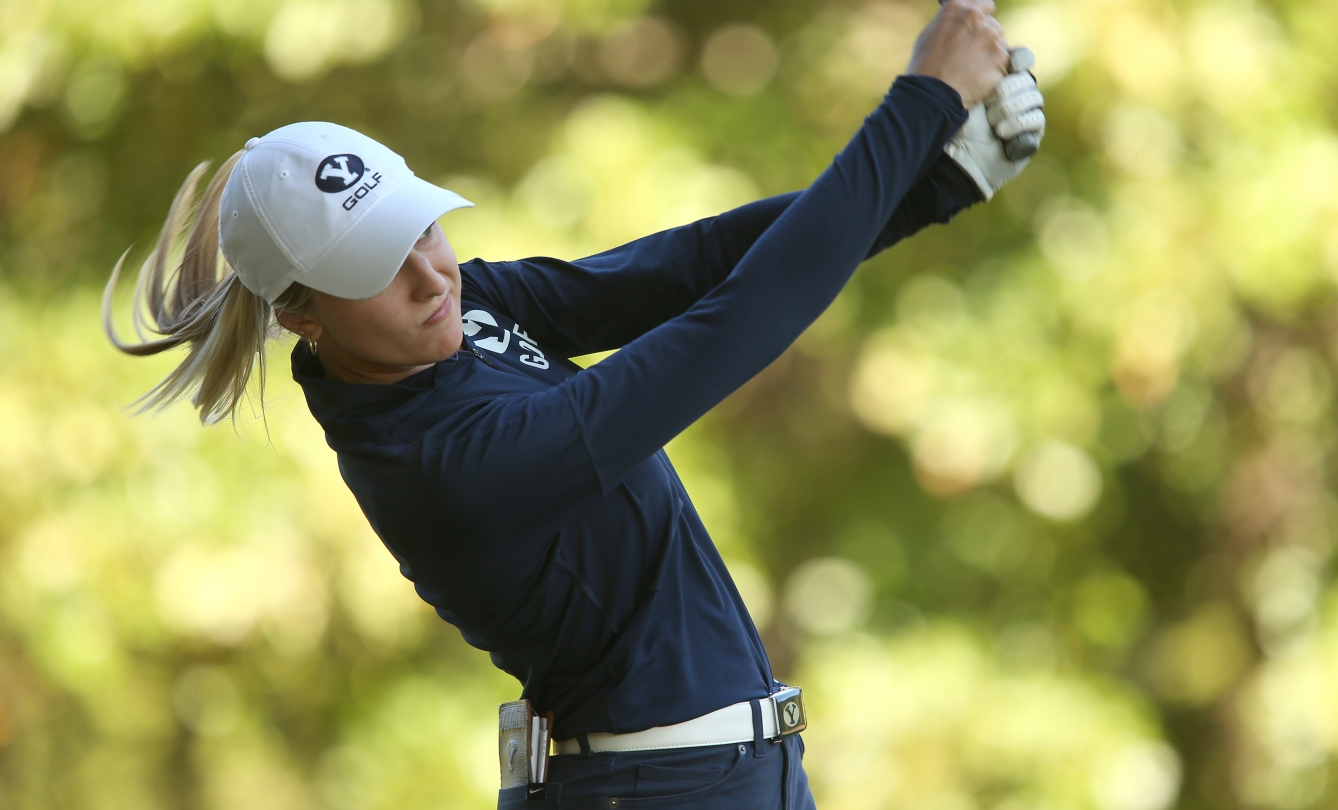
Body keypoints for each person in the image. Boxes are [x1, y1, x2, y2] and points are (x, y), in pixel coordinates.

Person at [104, 1, 1043, 806]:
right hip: (655, 791)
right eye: (378, 266)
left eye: (420, 227)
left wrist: (937, 182)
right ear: (302, 316)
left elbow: (692, 265)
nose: (432, 272)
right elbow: (737, 323)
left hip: (727, 778)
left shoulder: (465, 313)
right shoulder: (442, 470)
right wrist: (920, 101)